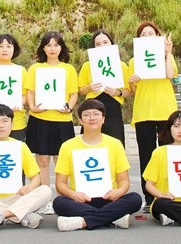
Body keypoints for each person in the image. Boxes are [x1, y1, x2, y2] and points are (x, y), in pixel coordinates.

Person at [52, 99, 142, 231]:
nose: (92, 118)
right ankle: (114, 218)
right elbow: (60, 184)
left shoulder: (115, 144)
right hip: (81, 200)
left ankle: (83, 222)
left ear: (103, 119)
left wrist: (119, 191)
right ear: (81, 121)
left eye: (96, 114)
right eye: (87, 115)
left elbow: (123, 181)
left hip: (109, 198)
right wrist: (73, 194)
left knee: (135, 199)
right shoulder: (68, 146)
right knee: (59, 203)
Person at [25, 31, 78, 214]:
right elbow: (30, 92)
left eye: (56, 45)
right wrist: (33, 107)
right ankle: (45, 200)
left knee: (61, 161)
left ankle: (63, 199)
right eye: (48, 45)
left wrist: (69, 108)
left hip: (62, 120)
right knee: (42, 161)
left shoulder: (68, 69)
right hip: (40, 119)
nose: (52, 48)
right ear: (43, 48)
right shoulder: (35, 69)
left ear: (61, 47)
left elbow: (73, 94)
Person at [127, 21, 178, 206]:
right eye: (143, 34)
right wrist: (132, 80)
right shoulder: (134, 61)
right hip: (144, 112)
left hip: (166, 111)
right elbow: (132, 90)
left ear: (158, 36)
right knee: (146, 156)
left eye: (151, 33)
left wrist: (168, 53)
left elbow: (170, 75)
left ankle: (171, 194)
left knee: (168, 155)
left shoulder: (166, 57)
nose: (147, 37)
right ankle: (150, 199)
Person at [77, 30, 131, 145]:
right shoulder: (87, 65)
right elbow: (81, 90)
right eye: (98, 44)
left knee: (115, 145)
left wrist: (117, 92)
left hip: (113, 111)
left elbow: (129, 92)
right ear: (93, 47)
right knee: (90, 145)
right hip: (92, 108)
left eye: (105, 42)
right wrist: (90, 87)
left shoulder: (121, 66)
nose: (102, 46)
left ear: (111, 44)